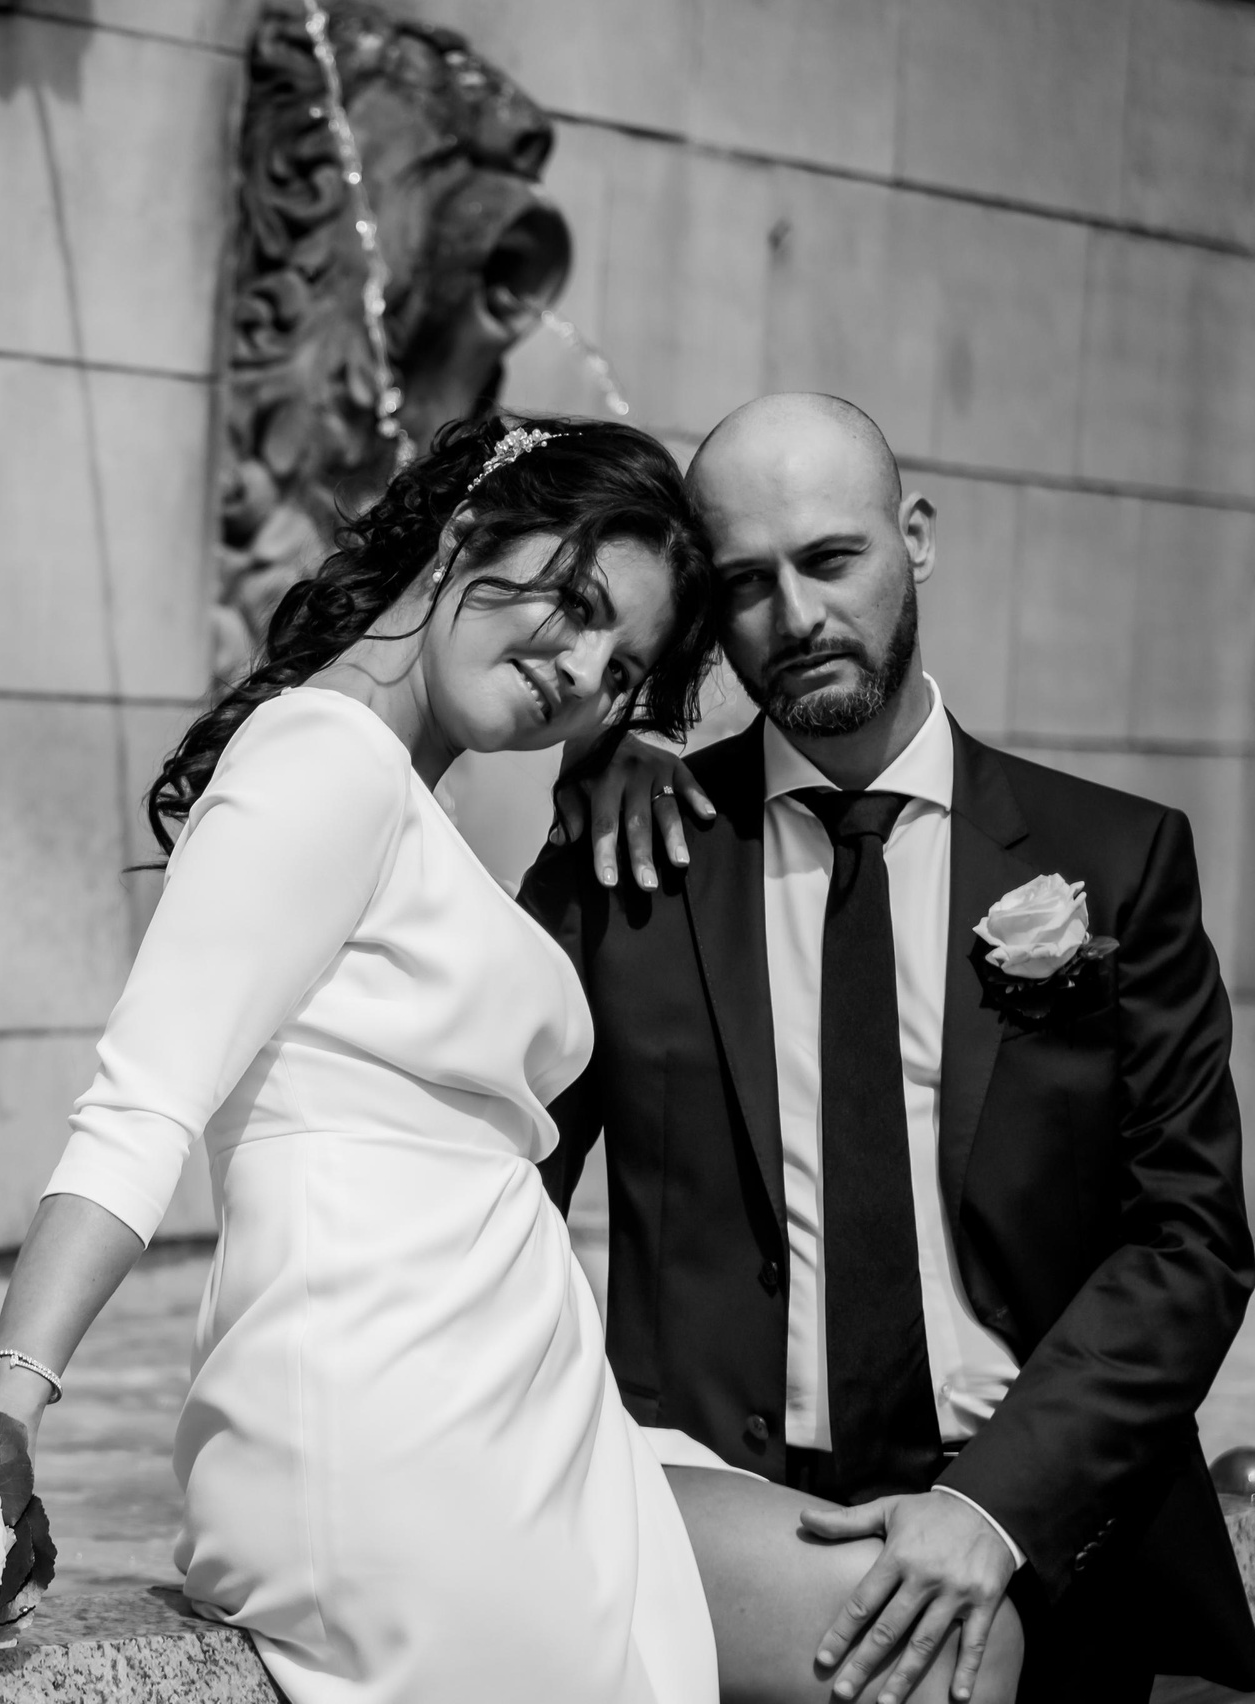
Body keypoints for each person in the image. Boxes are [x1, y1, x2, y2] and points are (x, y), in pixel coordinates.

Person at [0, 414, 1019, 1704]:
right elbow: (141, 1105)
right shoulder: (320, 763)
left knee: (948, 1634)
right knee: (938, 1653)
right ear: (465, 535)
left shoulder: (407, 783)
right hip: (398, 1424)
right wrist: (5, 1413)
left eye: (621, 666)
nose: (579, 669)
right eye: (570, 605)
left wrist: (603, 748)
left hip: (522, 1401)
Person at [530, 393, 1255, 1704]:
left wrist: (994, 1509)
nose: (796, 618)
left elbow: (1190, 1240)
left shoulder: (1115, 859)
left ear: (914, 537)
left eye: (831, 559)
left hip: (1053, 1534)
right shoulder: (631, 862)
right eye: (745, 582)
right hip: (734, 1545)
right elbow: (485, 1183)